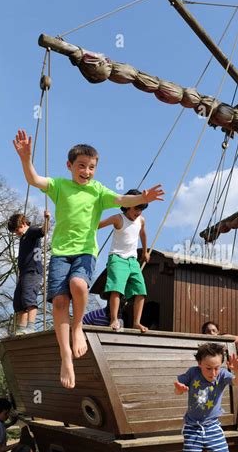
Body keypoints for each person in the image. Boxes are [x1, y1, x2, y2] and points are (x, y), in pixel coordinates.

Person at [13, 129, 164, 389]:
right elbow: (34, 179)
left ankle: (78, 327)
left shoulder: (97, 191)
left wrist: (142, 198)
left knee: (79, 286)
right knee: (60, 302)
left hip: (85, 252)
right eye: (81, 166)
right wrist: (26, 158)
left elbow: (120, 198)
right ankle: (66, 356)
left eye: (91, 167)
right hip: (60, 252)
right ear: (70, 166)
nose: (86, 171)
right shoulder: (60, 186)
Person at [98, 190, 150, 332]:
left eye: (141, 209)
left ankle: (136, 322)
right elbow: (98, 225)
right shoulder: (118, 218)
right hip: (117, 258)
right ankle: (114, 319)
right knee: (116, 289)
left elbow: (143, 233)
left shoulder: (141, 220)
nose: (138, 212)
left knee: (141, 291)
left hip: (132, 260)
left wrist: (145, 251)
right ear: (127, 205)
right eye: (136, 208)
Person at [7, 210, 50, 335]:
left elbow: (43, 231)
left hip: (32, 271)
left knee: (28, 297)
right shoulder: (23, 237)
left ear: (22, 224)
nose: (16, 233)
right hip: (24, 273)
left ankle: (30, 326)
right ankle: (21, 327)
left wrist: (47, 219)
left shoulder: (31, 231)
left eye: (16, 230)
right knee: (18, 301)